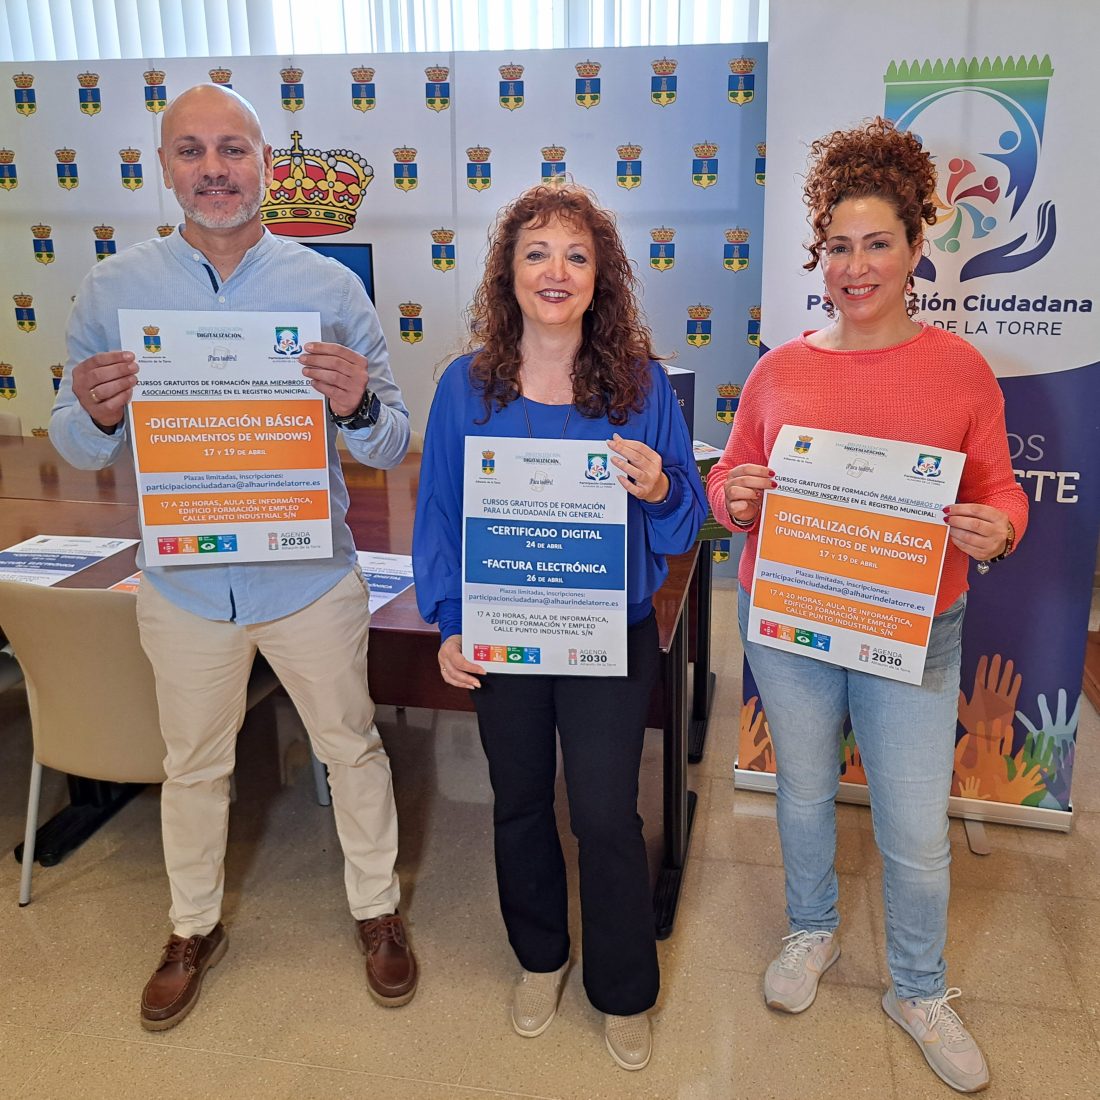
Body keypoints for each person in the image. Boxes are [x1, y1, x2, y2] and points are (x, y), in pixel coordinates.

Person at [50, 83, 418, 1031]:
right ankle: (191, 927)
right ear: (165, 166)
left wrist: (357, 407)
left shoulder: (329, 290)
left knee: (351, 748)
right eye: (191, 151)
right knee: (195, 766)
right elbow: (74, 440)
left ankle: (377, 913)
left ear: (265, 162)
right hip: (184, 582)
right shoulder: (114, 289)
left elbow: (390, 438)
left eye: (232, 149)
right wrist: (91, 411)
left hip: (308, 578)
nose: (214, 170)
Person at [707, 117, 1028, 1095]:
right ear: (820, 256)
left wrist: (996, 529)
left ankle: (917, 987)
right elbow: (727, 483)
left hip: (914, 629)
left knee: (912, 826)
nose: (854, 265)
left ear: (913, 246)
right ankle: (812, 933)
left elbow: (1002, 492)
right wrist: (739, 497)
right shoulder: (778, 369)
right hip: (794, 622)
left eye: (875, 242)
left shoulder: (959, 371)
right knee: (801, 792)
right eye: (836, 245)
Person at [412, 184, 706, 1070]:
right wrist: (451, 623)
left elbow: (686, 525)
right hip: (505, 633)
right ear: (508, 271)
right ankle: (540, 956)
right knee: (520, 803)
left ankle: (623, 988)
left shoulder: (640, 386)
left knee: (610, 816)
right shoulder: (466, 387)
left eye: (577, 256)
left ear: (600, 277)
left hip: (604, 637)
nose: (556, 271)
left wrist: (656, 487)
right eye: (537, 252)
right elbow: (440, 515)